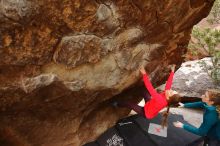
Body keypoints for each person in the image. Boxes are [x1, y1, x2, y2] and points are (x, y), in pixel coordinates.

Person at [115, 65, 181, 127]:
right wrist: (172, 71)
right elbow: (169, 83)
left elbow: (150, 89)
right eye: (172, 90)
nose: (170, 90)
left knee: (130, 104)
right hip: (150, 104)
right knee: (144, 92)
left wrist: (144, 74)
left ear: (169, 97)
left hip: (146, 112)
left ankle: (117, 103)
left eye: (171, 92)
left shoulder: (161, 100)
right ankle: (133, 92)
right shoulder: (167, 94)